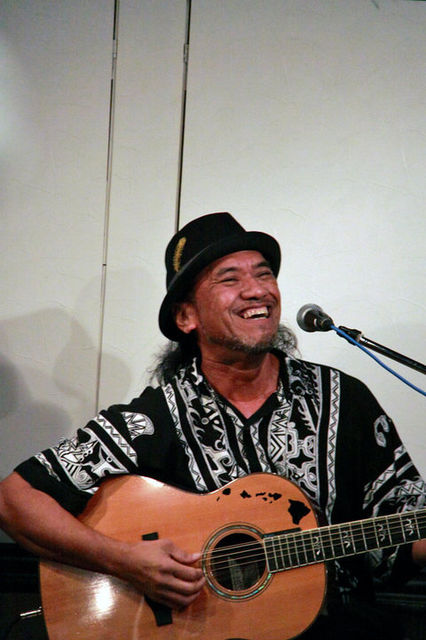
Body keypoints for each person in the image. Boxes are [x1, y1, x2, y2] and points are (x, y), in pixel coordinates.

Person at [0, 212, 425, 639]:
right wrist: (124, 561)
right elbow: (14, 500)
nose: (257, 290)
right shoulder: (154, 419)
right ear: (187, 317)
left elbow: (400, 530)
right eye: (229, 279)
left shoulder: (344, 399)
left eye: (264, 274)